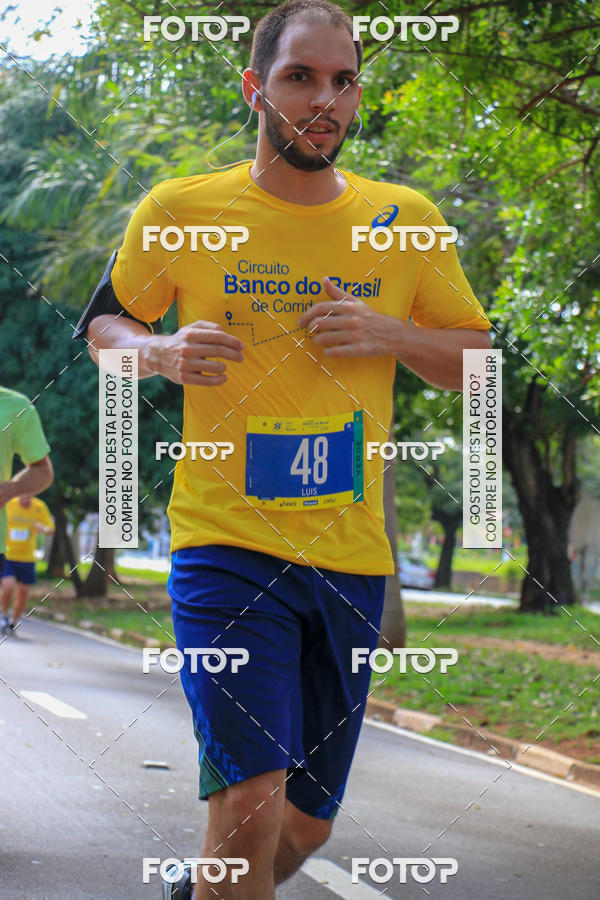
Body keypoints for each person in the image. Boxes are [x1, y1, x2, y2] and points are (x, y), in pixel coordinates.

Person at [80, 2, 491, 896]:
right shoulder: (183, 208)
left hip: (349, 562)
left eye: (343, 80)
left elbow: (475, 361)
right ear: (254, 88)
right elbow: (106, 326)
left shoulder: (405, 220)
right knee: (254, 801)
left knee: (302, 825)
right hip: (224, 546)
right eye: (301, 77)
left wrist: (391, 333)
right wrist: (157, 351)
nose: (325, 100)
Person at [0, 386, 53, 604]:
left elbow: (43, 471)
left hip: (18, 554)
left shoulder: (16, 407)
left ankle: (8, 620)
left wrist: (11, 489)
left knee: (18, 589)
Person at [1, 494, 55, 634]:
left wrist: (43, 528)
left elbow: (50, 529)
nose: (26, 499)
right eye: (23, 495)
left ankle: (13, 621)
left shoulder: (39, 507)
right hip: (8, 556)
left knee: (23, 592)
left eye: (29, 496)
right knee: (8, 588)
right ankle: (3, 615)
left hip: (27, 559)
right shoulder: (9, 503)